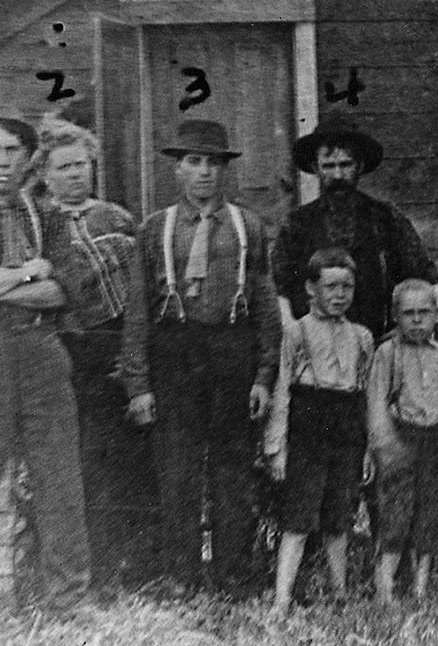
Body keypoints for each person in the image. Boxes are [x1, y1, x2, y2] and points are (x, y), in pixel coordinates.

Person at [125, 119, 282, 594]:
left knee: (233, 468)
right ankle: (182, 574)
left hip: (232, 350)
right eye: (193, 162)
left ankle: (233, 571)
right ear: (177, 169)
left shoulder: (247, 226)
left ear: (224, 169)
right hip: (176, 352)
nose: (204, 172)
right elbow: (138, 311)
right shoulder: (155, 229)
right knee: (177, 469)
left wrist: (264, 375)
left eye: (213, 162)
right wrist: (138, 385)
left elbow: (266, 306)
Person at [0, 116, 90, 612]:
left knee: (59, 477)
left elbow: (64, 291)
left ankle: (66, 596)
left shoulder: (47, 215)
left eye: (13, 151)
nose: (3, 162)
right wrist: (29, 273)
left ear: (28, 159)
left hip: (42, 351)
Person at [32, 116, 157, 589]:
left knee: (135, 454)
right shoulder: (38, 223)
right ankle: (95, 566)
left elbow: (140, 288)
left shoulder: (116, 218)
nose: (73, 174)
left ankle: (140, 564)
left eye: (80, 165)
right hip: (71, 350)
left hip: (124, 345)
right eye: (62, 167)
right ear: (45, 175)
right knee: (87, 460)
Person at [263, 248, 375, 615]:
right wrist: (277, 445)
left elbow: (366, 394)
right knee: (298, 518)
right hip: (308, 424)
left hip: (347, 425)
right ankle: (281, 599)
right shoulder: (296, 332)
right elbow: (282, 390)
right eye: (331, 287)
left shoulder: (361, 336)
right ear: (311, 289)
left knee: (338, 517)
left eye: (347, 286)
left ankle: (340, 593)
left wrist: (368, 447)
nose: (340, 295)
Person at [275, 115, 438, 337]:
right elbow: (280, 286)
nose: (337, 175)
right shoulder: (297, 223)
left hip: (379, 340)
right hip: (315, 343)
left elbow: (424, 274)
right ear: (315, 168)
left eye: (346, 165)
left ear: (360, 166)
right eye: (328, 166)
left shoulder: (386, 217)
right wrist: (293, 332)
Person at [365, 279, 438, 606]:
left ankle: (420, 589)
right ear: (395, 316)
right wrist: (384, 450)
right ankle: (385, 590)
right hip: (400, 440)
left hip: (435, 439)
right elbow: (377, 405)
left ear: (436, 314)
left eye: (424, 312)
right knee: (395, 516)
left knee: (430, 513)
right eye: (408, 313)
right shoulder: (388, 353)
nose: (416, 320)